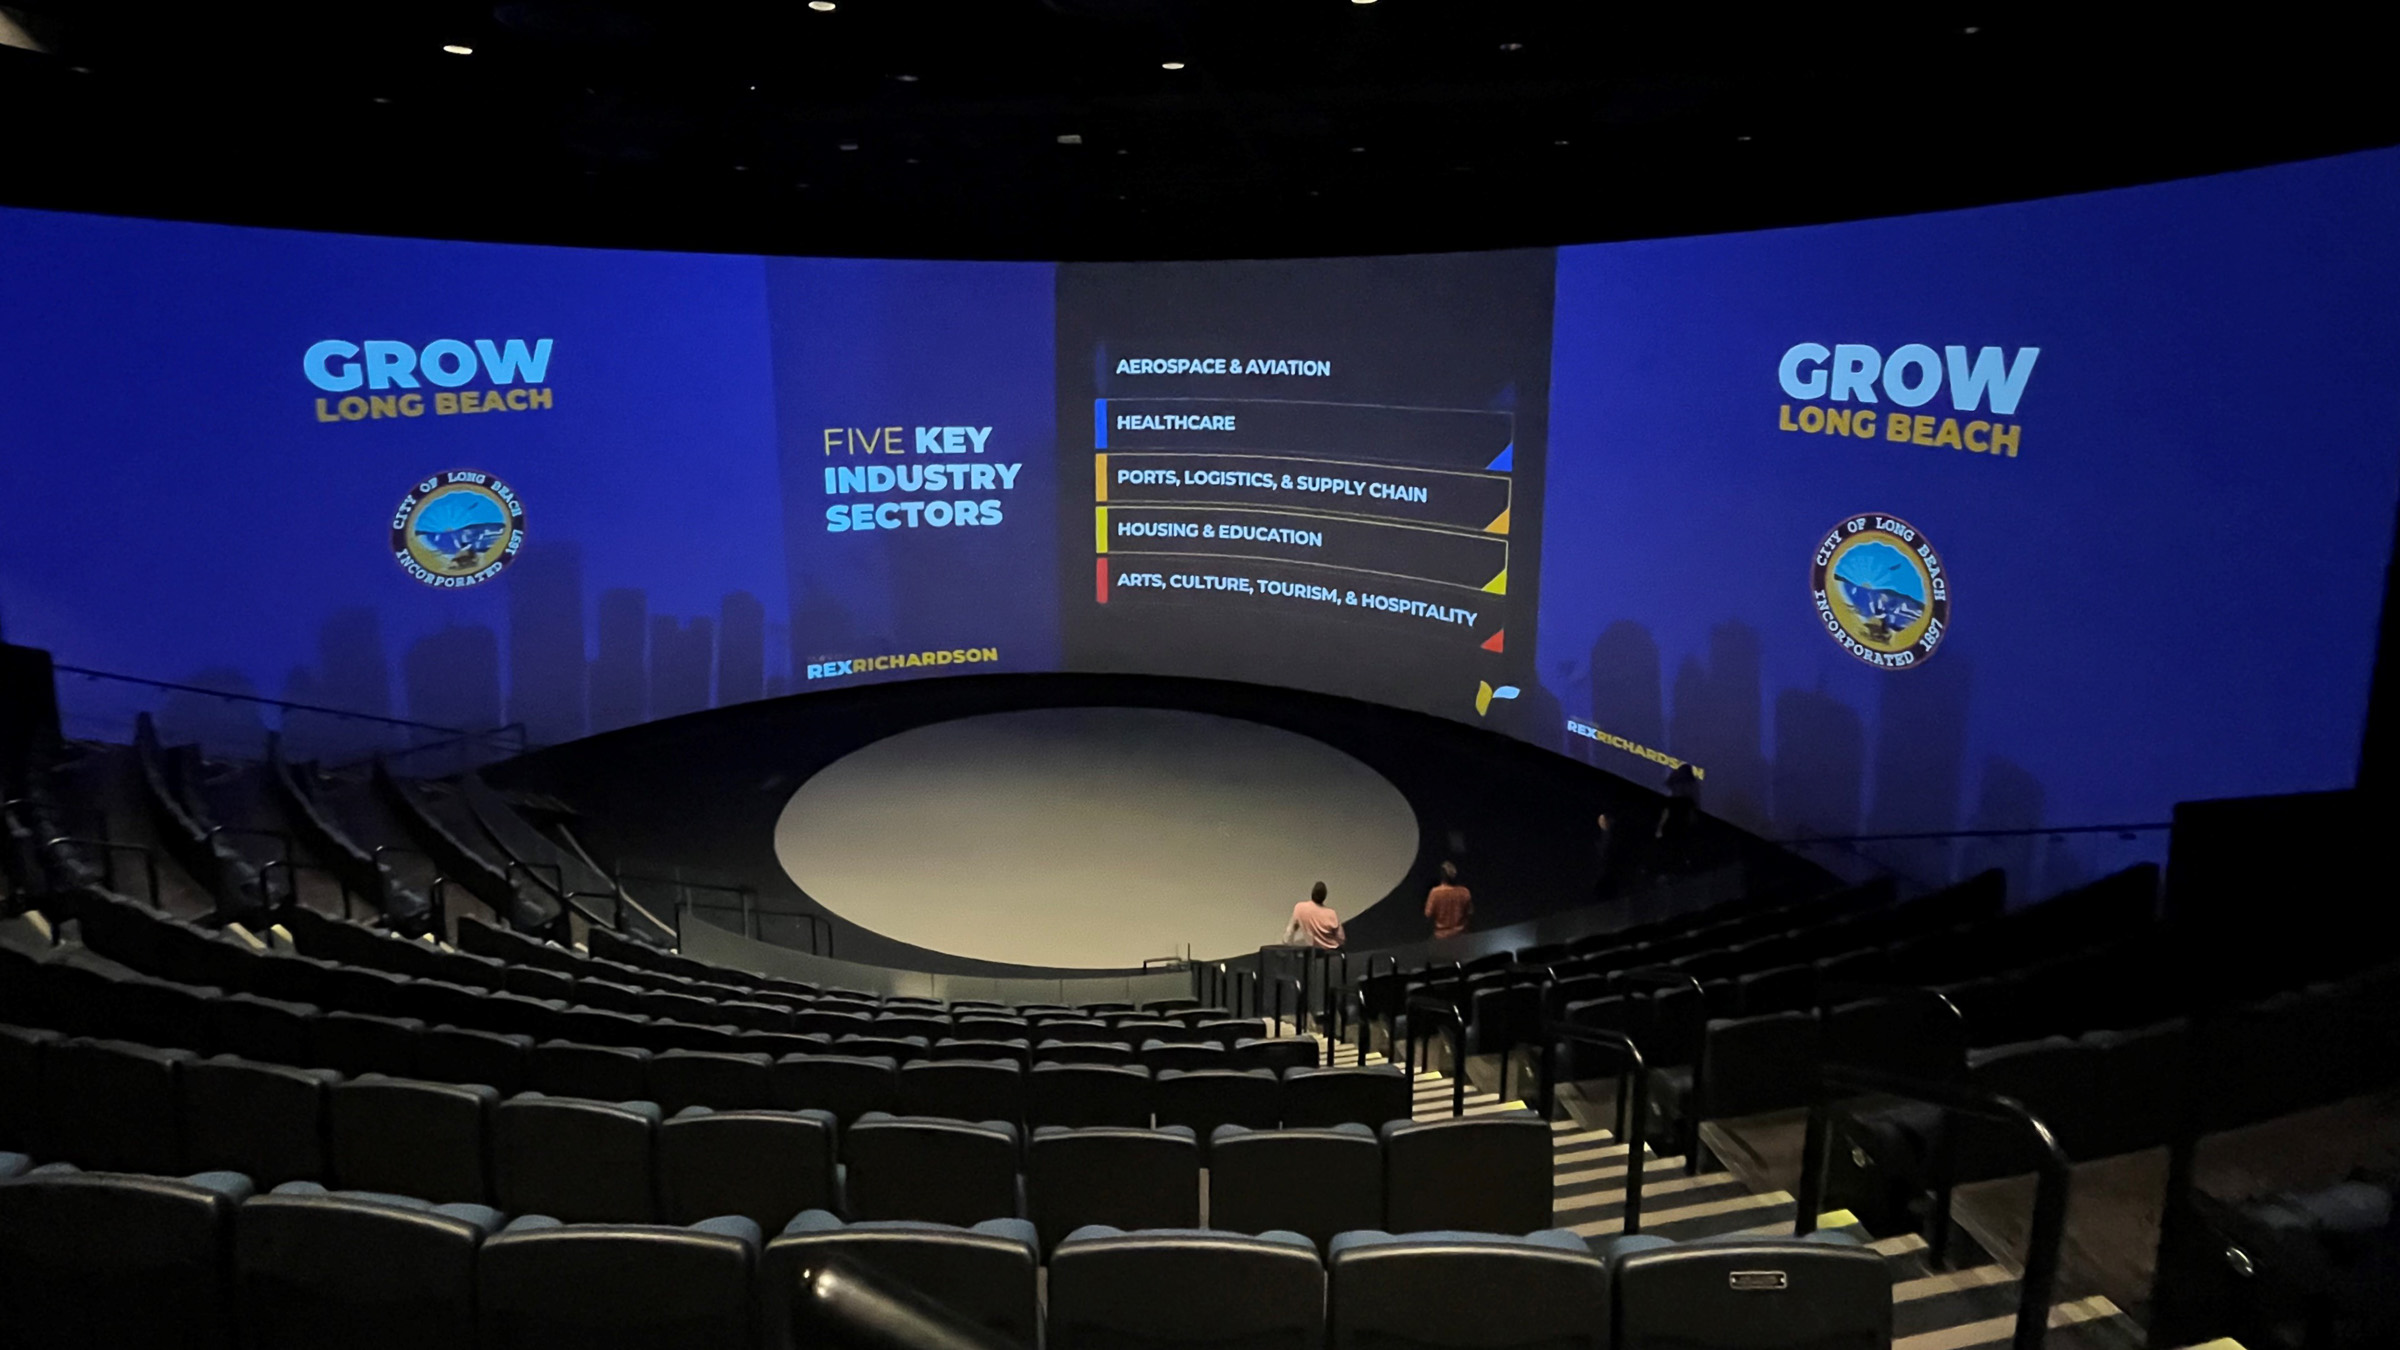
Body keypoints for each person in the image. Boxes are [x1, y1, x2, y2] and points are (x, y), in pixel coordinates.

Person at [1283, 881, 1346, 950]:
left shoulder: (1300, 908)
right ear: (1324, 896)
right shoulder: (1332, 914)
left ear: (1312, 893)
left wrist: (1287, 946)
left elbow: (1290, 931)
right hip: (1331, 954)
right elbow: (1341, 938)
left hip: (1311, 952)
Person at [1425, 861, 1473, 939]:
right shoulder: (1464, 892)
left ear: (1442, 875)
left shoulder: (1435, 893)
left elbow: (1428, 915)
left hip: (1441, 936)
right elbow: (1469, 913)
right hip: (1461, 935)